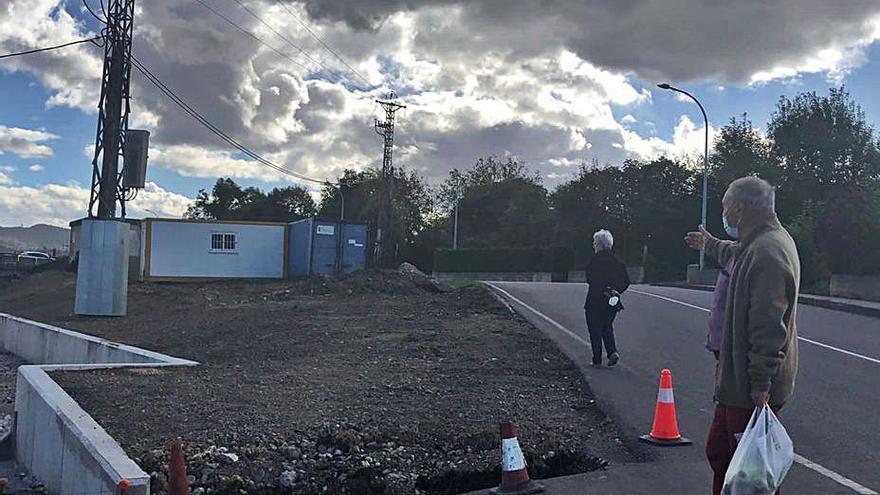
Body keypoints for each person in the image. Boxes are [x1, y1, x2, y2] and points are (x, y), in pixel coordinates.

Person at [685, 176, 800, 495]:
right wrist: (708, 244)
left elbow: (768, 326)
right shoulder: (759, 243)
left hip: (750, 386)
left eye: (724, 206)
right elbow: (734, 252)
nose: (724, 213)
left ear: (738, 209)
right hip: (737, 381)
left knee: (751, 472)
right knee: (721, 452)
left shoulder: (767, 253)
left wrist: (760, 383)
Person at [584, 229, 630, 368]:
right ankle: (612, 352)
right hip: (612, 300)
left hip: (595, 299)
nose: (594, 246)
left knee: (594, 329)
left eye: (595, 243)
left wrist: (602, 289)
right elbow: (626, 281)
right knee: (607, 326)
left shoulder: (594, 261)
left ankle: (597, 359)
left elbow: (590, 279)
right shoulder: (618, 261)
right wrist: (616, 291)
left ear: (600, 244)